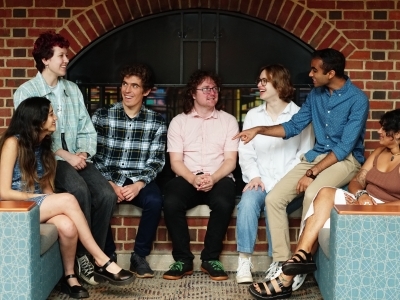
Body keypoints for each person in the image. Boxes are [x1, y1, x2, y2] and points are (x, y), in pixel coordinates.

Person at [234, 48, 369, 280]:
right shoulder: (316, 95)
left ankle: (301, 261)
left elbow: (344, 147)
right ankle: (282, 261)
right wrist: (259, 130)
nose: (310, 74)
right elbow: (293, 126)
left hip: (345, 160)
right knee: (273, 199)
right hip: (316, 156)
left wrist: (312, 173)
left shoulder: (357, 100)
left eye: (315, 70)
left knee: (312, 194)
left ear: (331, 73)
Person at [248, 108, 400, 299]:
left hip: (385, 212)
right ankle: (300, 257)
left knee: (322, 202)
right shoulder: (379, 152)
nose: (379, 131)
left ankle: (284, 280)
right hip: (362, 201)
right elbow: (358, 180)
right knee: (325, 192)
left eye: (384, 128)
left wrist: (374, 207)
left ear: (398, 133)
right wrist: (361, 196)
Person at [0, 97, 134, 299]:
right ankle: (101, 259)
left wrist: (53, 203)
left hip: (35, 205)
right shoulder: (13, 142)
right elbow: (3, 192)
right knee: (69, 199)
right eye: (51, 113)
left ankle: (70, 277)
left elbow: (47, 191)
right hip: (14, 209)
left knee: (68, 226)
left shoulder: (44, 147)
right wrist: (42, 199)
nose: (55, 118)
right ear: (37, 119)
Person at [13, 31, 117, 286]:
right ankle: (83, 257)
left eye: (66, 54)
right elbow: (32, 138)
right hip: (51, 160)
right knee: (79, 190)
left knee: (106, 195)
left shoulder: (72, 90)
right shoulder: (26, 92)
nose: (66, 59)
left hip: (77, 157)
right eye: (61, 55)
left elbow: (86, 128)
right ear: (46, 60)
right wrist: (66, 156)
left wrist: (82, 153)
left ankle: (96, 258)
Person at [236, 64, 314, 288]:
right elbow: (246, 151)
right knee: (247, 203)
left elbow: (304, 154)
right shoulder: (252, 115)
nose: (259, 85)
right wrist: (254, 176)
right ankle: (244, 261)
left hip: (287, 183)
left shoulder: (299, 115)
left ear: (278, 84)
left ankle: (277, 264)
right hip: (259, 180)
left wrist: (283, 181)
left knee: (274, 203)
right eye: (259, 81)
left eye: (264, 81)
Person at [162, 70, 239, 281]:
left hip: (220, 176)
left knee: (224, 202)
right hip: (188, 177)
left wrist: (212, 178)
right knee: (171, 201)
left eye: (214, 88)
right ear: (193, 94)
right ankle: (183, 260)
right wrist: (193, 179)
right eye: (205, 89)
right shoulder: (179, 122)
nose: (211, 92)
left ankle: (210, 259)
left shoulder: (229, 121)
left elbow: (230, 161)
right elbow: (176, 162)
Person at [91, 63, 166, 278]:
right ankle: (108, 257)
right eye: (125, 84)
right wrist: (109, 183)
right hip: (109, 178)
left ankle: (139, 257)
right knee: (99, 198)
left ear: (146, 91)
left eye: (134, 86)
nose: (127, 90)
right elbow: (95, 155)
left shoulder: (156, 122)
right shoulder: (103, 116)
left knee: (155, 201)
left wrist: (139, 184)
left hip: (139, 180)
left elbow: (157, 161)